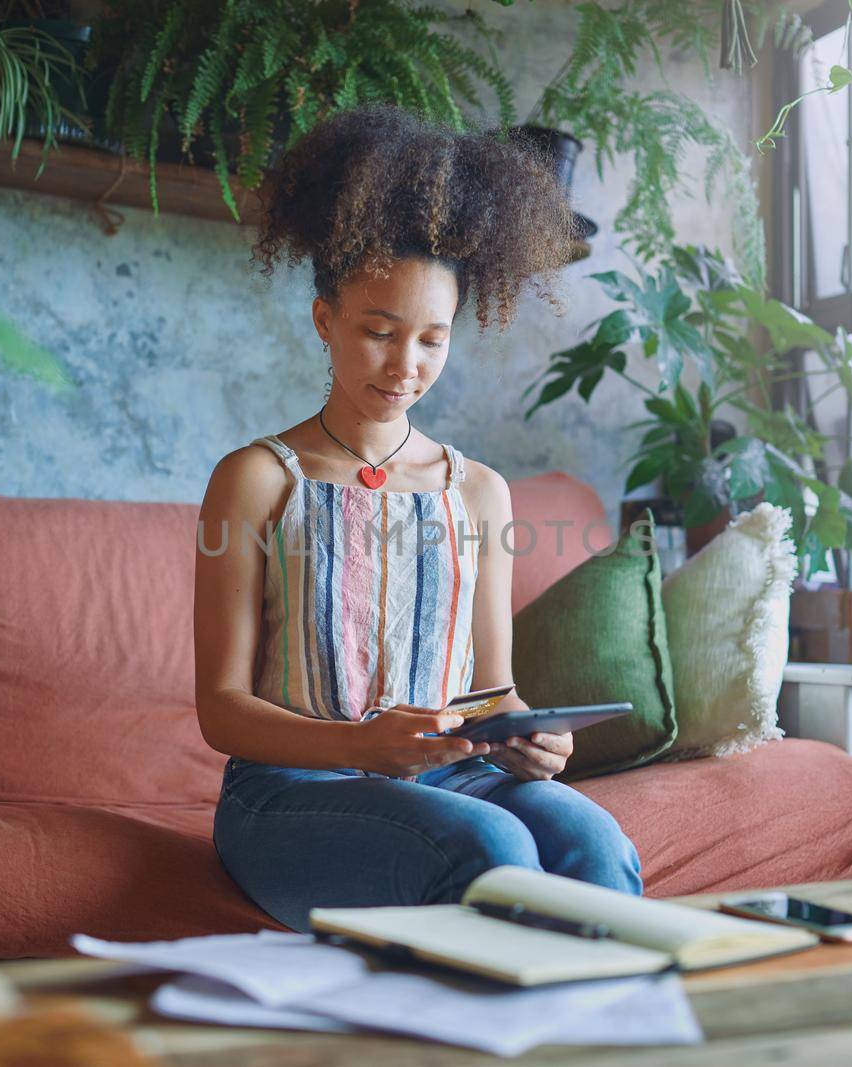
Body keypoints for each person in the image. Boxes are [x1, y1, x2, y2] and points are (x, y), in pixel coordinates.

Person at [194, 104, 642, 933]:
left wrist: (529, 741)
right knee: (489, 846)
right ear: (325, 319)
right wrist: (360, 748)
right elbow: (221, 709)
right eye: (378, 331)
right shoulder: (256, 480)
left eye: (432, 340)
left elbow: (491, 694)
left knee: (593, 839)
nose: (406, 365)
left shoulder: (477, 492)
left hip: (451, 777)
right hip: (290, 794)